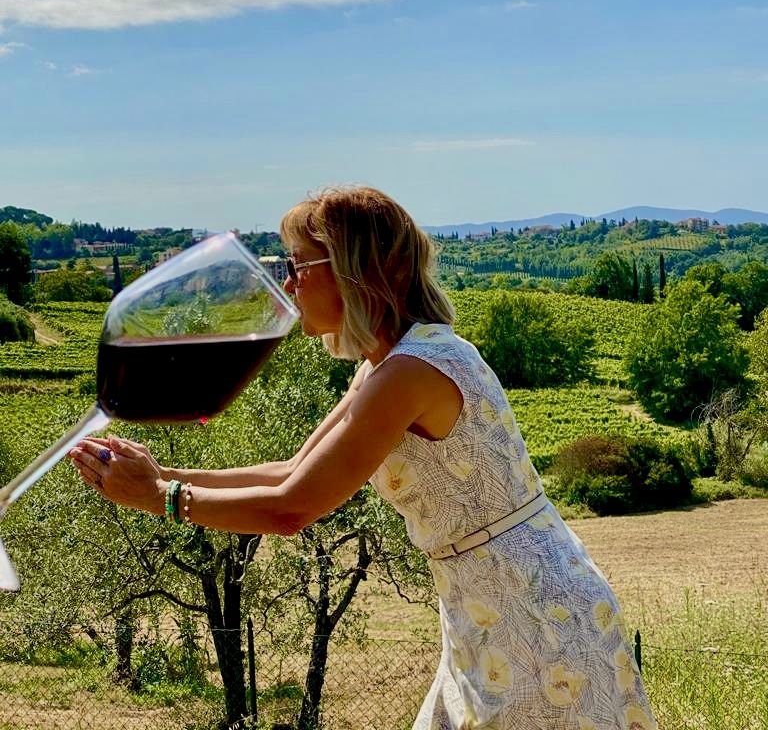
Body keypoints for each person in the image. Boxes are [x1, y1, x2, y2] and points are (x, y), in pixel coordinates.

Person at [70, 186, 657, 730]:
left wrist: (159, 498)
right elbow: (292, 472)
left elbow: (291, 509)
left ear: (359, 271)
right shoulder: (385, 366)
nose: (288, 285)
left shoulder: (410, 373)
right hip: (489, 606)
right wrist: (163, 473)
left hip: (532, 615)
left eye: (298, 266)